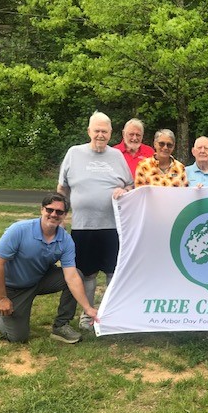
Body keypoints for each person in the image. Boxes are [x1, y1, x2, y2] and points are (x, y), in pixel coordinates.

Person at [0, 193, 98, 344]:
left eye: (59, 212)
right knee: (18, 337)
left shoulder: (65, 240)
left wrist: (88, 308)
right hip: (13, 287)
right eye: (49, 210)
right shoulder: (19, 230)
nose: (53, 214)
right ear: (42, 209)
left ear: (65, 215)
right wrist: (2, 298)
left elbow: (71, 277)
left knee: (77, 274)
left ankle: (61, 326)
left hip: (39, 280)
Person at [57, 112, 134, 332]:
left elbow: (131, 185)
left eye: (105, 131)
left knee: (113, 271)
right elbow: (62, 189)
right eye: (97, 130)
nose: (100, 135)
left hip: (113, 227)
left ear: (111, 133)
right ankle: (87, 315)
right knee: (86, 272)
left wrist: (124, 190)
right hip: (83, 227)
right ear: (89, 131)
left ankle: (113, 312)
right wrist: (61, 216)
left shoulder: (117, 156)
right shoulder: (74, 153)